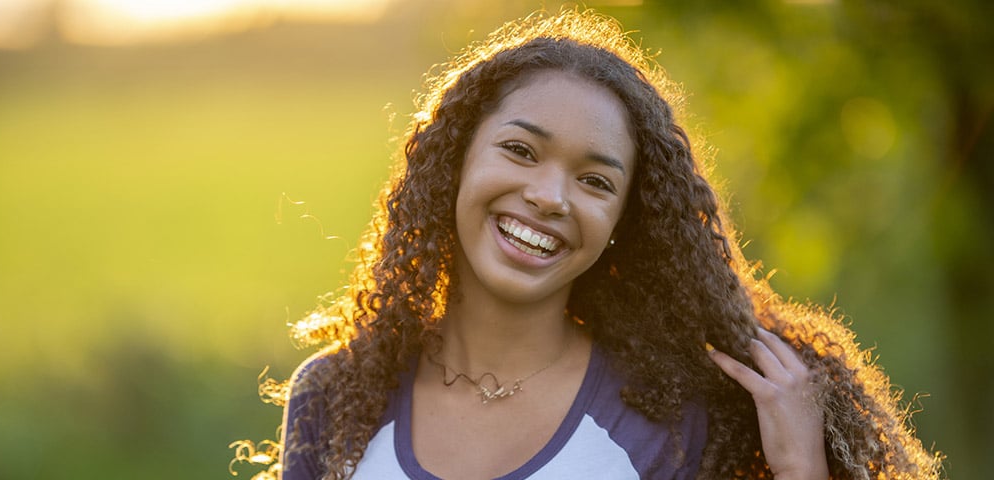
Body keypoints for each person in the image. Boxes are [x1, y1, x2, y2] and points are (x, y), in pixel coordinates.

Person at [272, 9, 942, 480]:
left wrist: (801, 468)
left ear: (624, 218)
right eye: (520, 150)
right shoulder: (337, 395)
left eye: (594, 180)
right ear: (456, 163)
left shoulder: (670, 422)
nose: (549, 196)